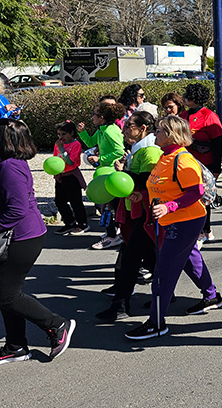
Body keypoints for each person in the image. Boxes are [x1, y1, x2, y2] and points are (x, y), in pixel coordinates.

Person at [126, 115, 222, 341]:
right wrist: (143, 196)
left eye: (159, 130)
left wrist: (169, 207)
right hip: (173, 220)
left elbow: (196, 191)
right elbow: (162, 187)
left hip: (186, 220)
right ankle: (211, 296)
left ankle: (157, 323)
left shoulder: (183, 159)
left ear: (171, 135)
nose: (155, 134)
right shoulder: (164, 156)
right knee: (189, 257)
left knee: (163, 273)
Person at [0, 118, 76, 364]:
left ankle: (57, 325)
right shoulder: (11, 162)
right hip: (23, 234)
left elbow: (17, 209)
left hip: (22, 237)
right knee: (6, 291)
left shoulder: (9, 167)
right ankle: (16, 346)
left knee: (6, 294)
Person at [95, 111, 163, 321]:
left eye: (128, 126)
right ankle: (165, 295)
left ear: (143, 128)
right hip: (136, 210)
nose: (123, 130)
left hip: (146, 212)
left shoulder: (150, 151)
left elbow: (148, 180)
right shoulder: (138, 148)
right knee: (149, 257)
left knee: (130, 258)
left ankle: (121, 305)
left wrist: (123, 173)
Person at [179, 84, 222, 248]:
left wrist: (217, 167)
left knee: (203, 197)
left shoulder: (209, 116)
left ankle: (205, 230)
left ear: (195, 98)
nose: (183, 97)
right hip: (186, 163)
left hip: (205, 163)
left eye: (187, 95)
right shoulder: (183, 115)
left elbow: (218, 143)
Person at [78, 100, 127, 249]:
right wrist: (82, 132)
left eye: (94, 114)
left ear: (102, 117)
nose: (92, 117)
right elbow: (91, 142)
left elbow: (120, 151)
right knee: (105, 204)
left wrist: (100, 158)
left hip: (111, 172)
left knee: (106, 204)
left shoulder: (110, 131)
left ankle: (113, 236)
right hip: (104, 171)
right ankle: (113, 233)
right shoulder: (101, 130)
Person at [52, 121, 89, 235]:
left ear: (71, 133)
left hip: (72, 176)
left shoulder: (75, 144)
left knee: (75, 201)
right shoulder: (57, 144)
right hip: (61, 175)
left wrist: (62, 149)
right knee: (59, 201)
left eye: (63, 134)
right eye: (59, 134)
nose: (61, 137)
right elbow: (55, 160)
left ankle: (82, 223)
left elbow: (70, 161)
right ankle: (69, 222)